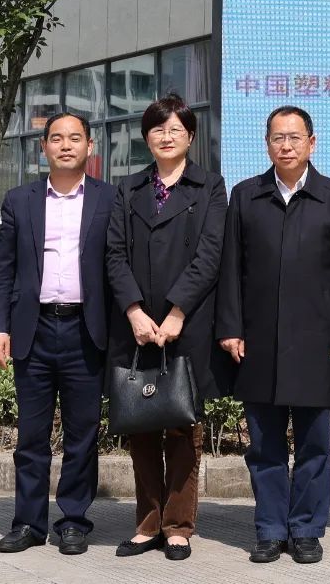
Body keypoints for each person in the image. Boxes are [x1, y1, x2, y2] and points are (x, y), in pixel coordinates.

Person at [216, 105, 330, 565]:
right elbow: (230, 269)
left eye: (295, 137)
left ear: (311, 143)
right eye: (278, 138)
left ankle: (305, 529)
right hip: (257, 342)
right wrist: (230, 328)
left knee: (315, 444)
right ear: (267, 145)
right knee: (263, 445)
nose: (286, 145)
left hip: (317, 344)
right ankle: (269, 528)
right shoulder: (246, 196)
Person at [105, 94, 229, 561]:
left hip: (187, 323)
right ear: (147, 138)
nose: (167, 136)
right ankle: (147, 524)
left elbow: (210, 255)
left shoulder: (210, 187)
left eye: (176, 128)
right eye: (158, 129)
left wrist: (177, 313)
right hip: (136, 326)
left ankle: (178, 526)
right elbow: (114, 254)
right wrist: (134, 311)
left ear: (190, 137)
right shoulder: (128, 188)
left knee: (182, 425)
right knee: (140, 425)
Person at [0, 112, 116, 555]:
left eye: (74, 138)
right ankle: (28, 523)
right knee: (31, 435)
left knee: (83, 435)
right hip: (34, 329)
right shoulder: (19, 200)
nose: (65, 145)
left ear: (89, 147)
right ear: (43, 147)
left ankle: (74, 520)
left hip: (86, 330)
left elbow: (117, 266)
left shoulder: (109, 198)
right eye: (56, 138)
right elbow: (4, 269)